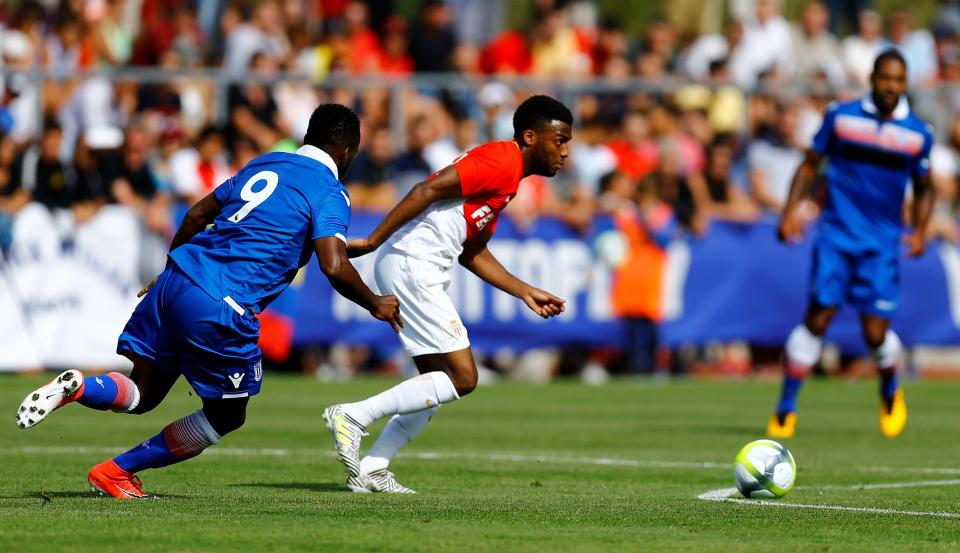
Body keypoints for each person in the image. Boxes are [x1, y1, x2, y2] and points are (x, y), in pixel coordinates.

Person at [15, 104, 402, 498]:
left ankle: (80, 386)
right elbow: (333, 266)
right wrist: (375, 302)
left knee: (142, 394)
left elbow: (198, 214)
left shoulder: (266, 163)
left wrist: (169, 269)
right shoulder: (330, 190)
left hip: (178, 278)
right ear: (348, 152)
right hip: (222, 303)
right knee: (227, 415)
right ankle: (117, 470)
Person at [323, 95, 572, 493]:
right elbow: (426, 189)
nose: (565, 151)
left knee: (435, 384)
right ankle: (353, 415)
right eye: (559, 141)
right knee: (464, 377)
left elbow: (472, 251)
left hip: (420, 265)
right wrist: (372, 241)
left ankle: (373, 467)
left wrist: (525, 291)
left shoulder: (509, 178)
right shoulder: (501, 160)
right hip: (411, 261)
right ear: (530, 137)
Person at [767, 50, 934, 440]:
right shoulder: (841, 118)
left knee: (874, 334)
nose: (891, 86)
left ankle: (890, 385)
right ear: (872, 78)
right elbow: (810, 165)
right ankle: (786, 408)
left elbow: (926, 188)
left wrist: (922, 230)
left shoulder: (917, 134)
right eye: (885, 78)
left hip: (881, 245)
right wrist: (790, 211)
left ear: (904, 84)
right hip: (836, 237)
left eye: (898, 80)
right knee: (817, 319)